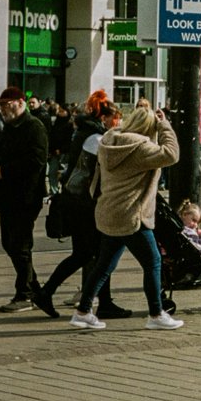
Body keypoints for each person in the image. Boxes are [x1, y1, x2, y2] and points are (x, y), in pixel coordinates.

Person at [69, 106, 183, 331]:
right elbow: (172, 154)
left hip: (109, 211)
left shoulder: (109, 140)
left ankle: (82, 311)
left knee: (103, 265)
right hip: (131, 214)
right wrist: (165, 125)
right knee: (153, 262)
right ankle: (156, 313)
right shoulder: (140, 148)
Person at [33, 93, 131, 320]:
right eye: (114, 118)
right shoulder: (95, 139)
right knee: (95, 253)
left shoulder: (87, 133)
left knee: (87, 254)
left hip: (77, 203)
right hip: (83, 205)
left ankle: (51, 293)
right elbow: (109, 165)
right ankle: (52, 293)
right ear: (104, 117)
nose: (116, 122)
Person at [0, 87, 49, 313]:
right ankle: (35, 290)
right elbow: (0, 152)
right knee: (10, 243)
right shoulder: (10, 127)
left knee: (20, 245)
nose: (3, 109)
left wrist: (5, 171)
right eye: (0, 105)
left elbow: (37, 159)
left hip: (25, 196)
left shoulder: (33, 127)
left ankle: (26, 294)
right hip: (8, 196)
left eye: (6, 104)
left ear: (21, 102)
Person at [47, 103, 73, 195]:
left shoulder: (70, 125)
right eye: (59, 111)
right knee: (52, 173)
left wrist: (62, 149)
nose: (60, 113)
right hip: (54, 152)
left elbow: (70, 140)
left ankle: (65, 192)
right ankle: (54, 192)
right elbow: (51, 136)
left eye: (62, 111)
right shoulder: (55, 123)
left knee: (63, 174)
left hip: (64, 153)